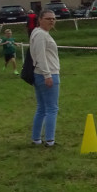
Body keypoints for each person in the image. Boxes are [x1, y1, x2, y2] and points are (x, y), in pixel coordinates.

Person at [29, 10, 61, 147]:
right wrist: (47, 75)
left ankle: (36, 138)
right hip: (47, 74)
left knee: (42, 108)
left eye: (53, 19)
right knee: (51, 109)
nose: (51, 21)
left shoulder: (38, 33)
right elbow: (40, 57)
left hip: (40, 73)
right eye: (48, 18)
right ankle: (50, 140)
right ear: (40, 19)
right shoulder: (41, 35)